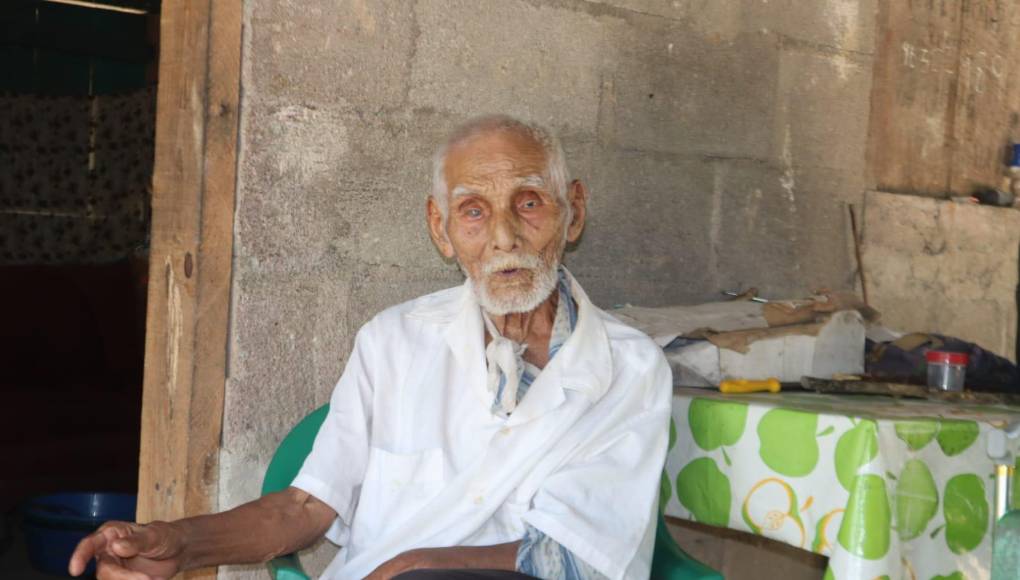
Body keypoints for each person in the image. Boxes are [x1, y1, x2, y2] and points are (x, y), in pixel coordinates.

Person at [69, 115, 672, 580]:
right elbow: (305, 508)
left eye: (530, 203)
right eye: (473, 211)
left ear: (574, 212)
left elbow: (575, 556)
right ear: (440, 229)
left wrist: (416, 566)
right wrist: (179, 542)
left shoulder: (630, 367)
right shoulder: (393, 340)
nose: (504, 237)